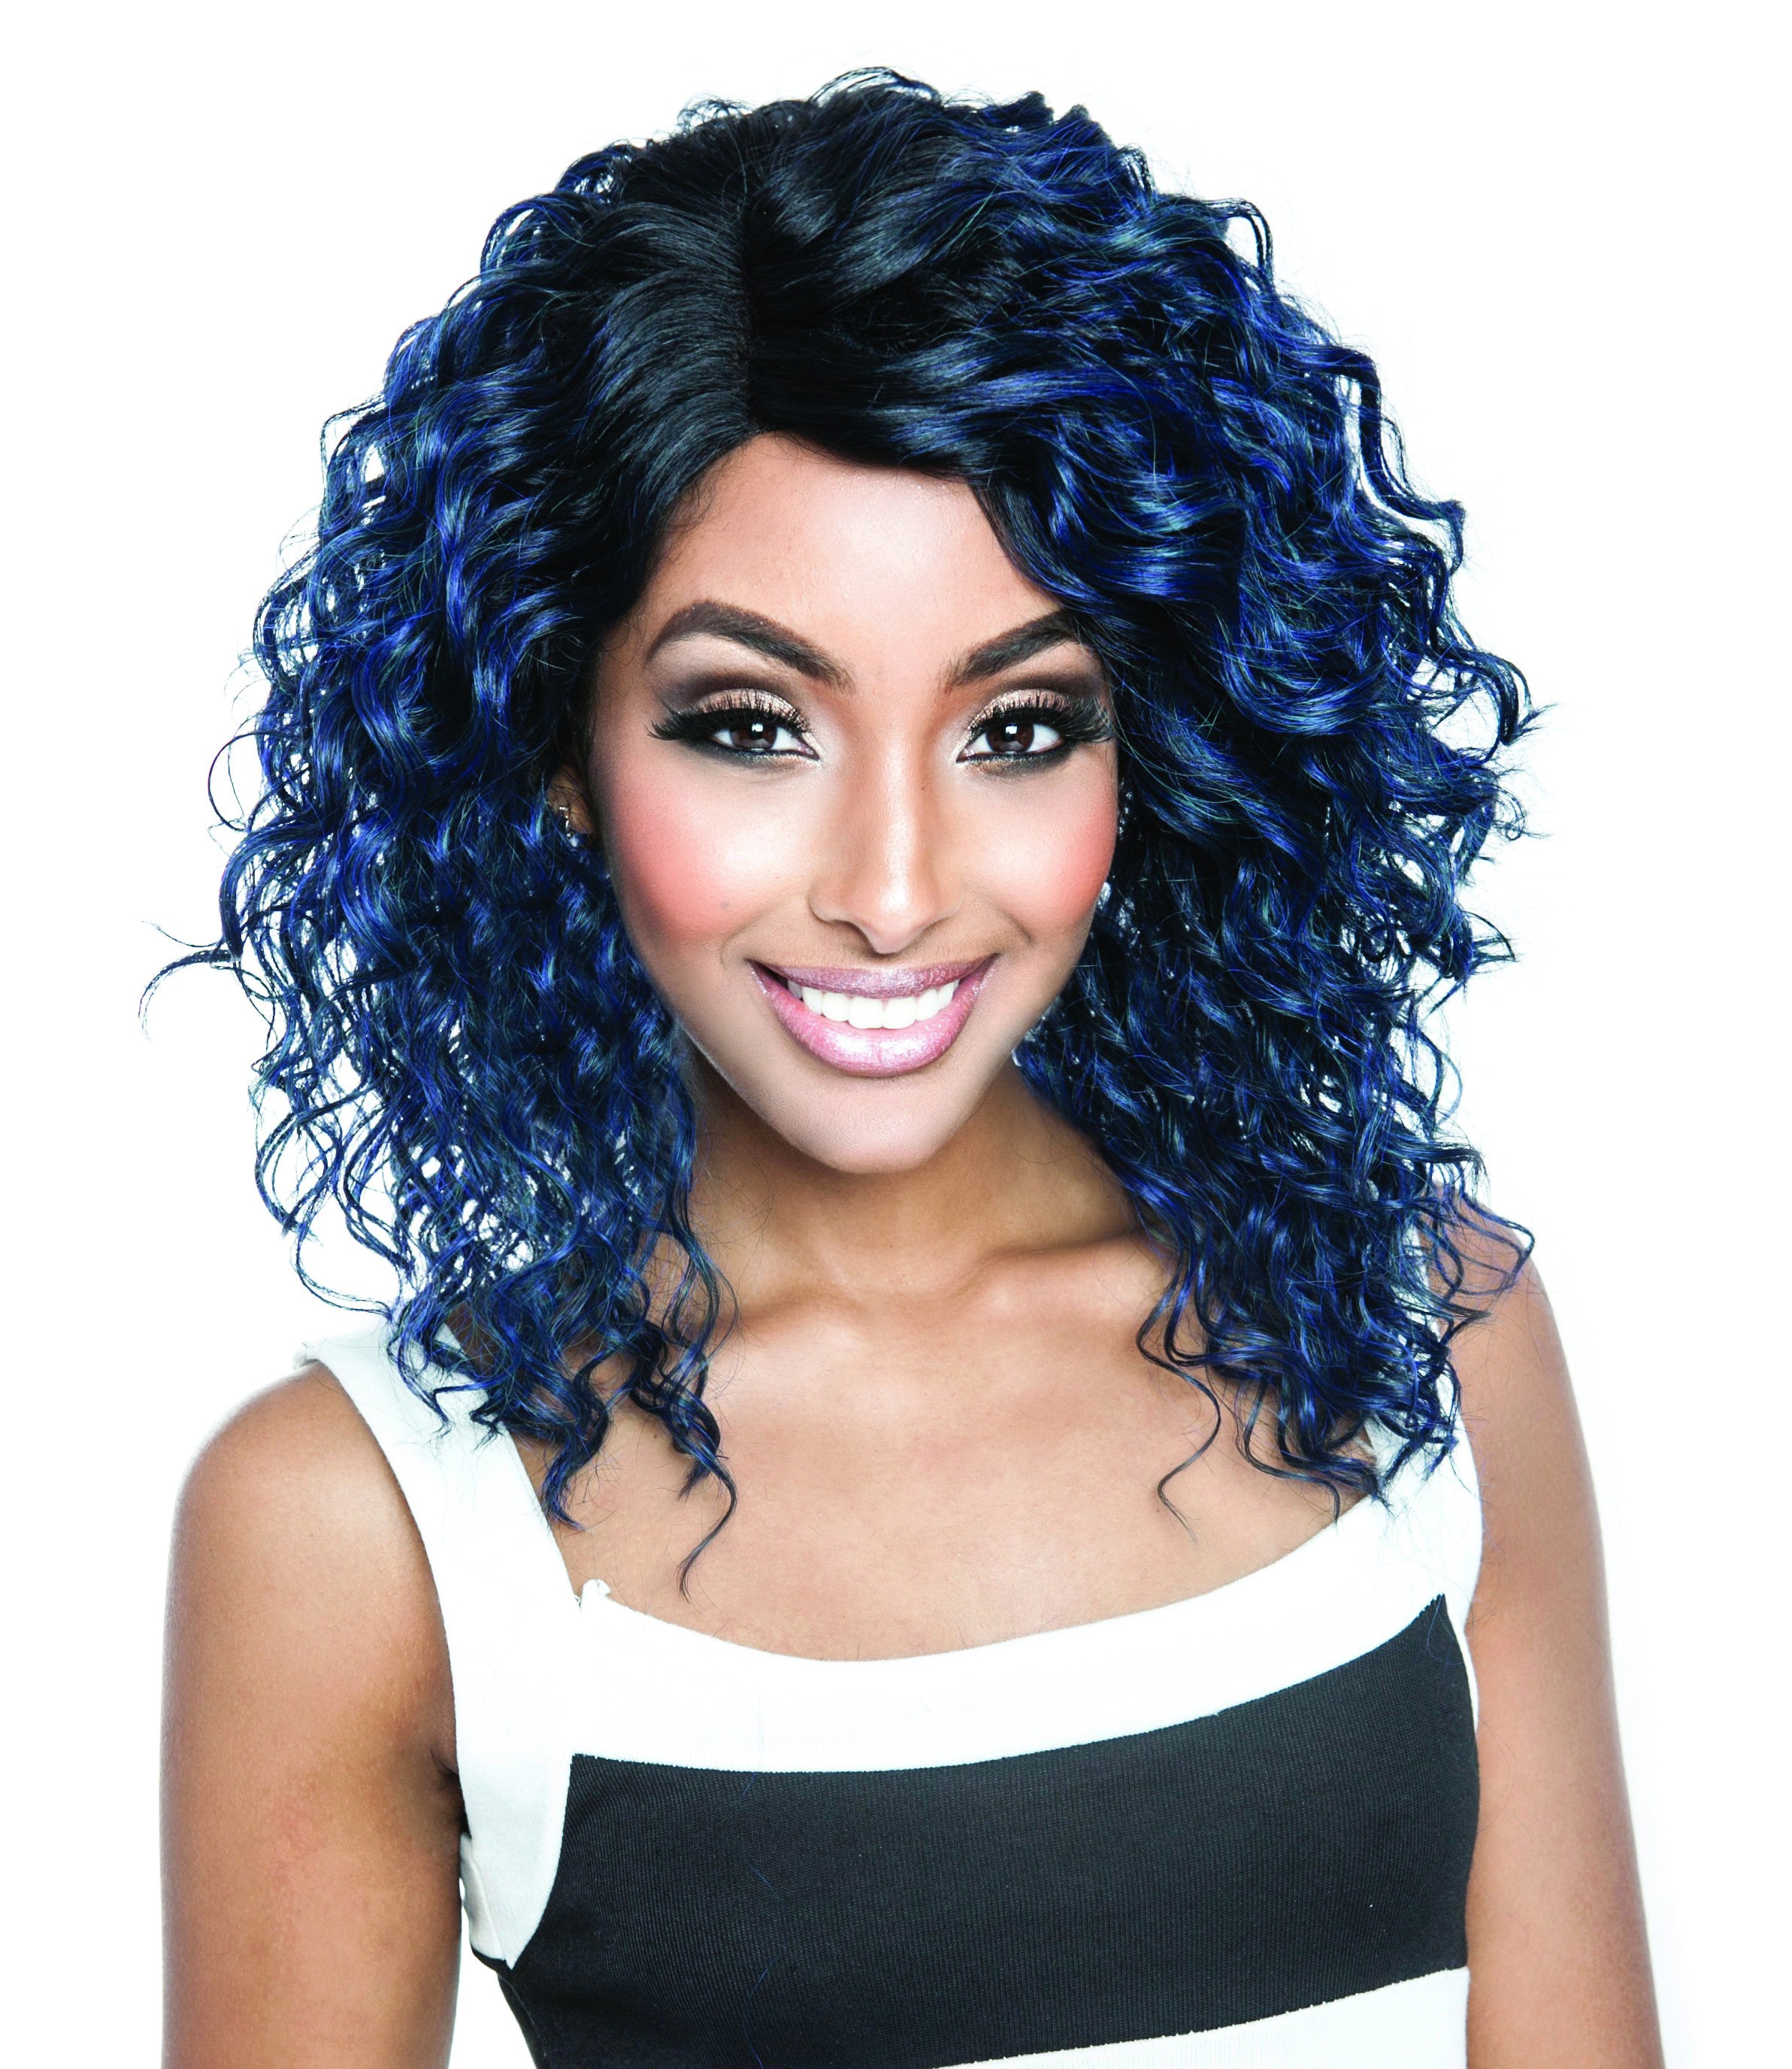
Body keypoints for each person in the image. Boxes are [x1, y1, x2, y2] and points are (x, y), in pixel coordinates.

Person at [158, 71, 1663, 2069]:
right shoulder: (369, 1526)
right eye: (749, 725)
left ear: (1162, 750)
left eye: (1018, 728)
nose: (890, 890)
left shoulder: (1419, 1341)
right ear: (555, 753)